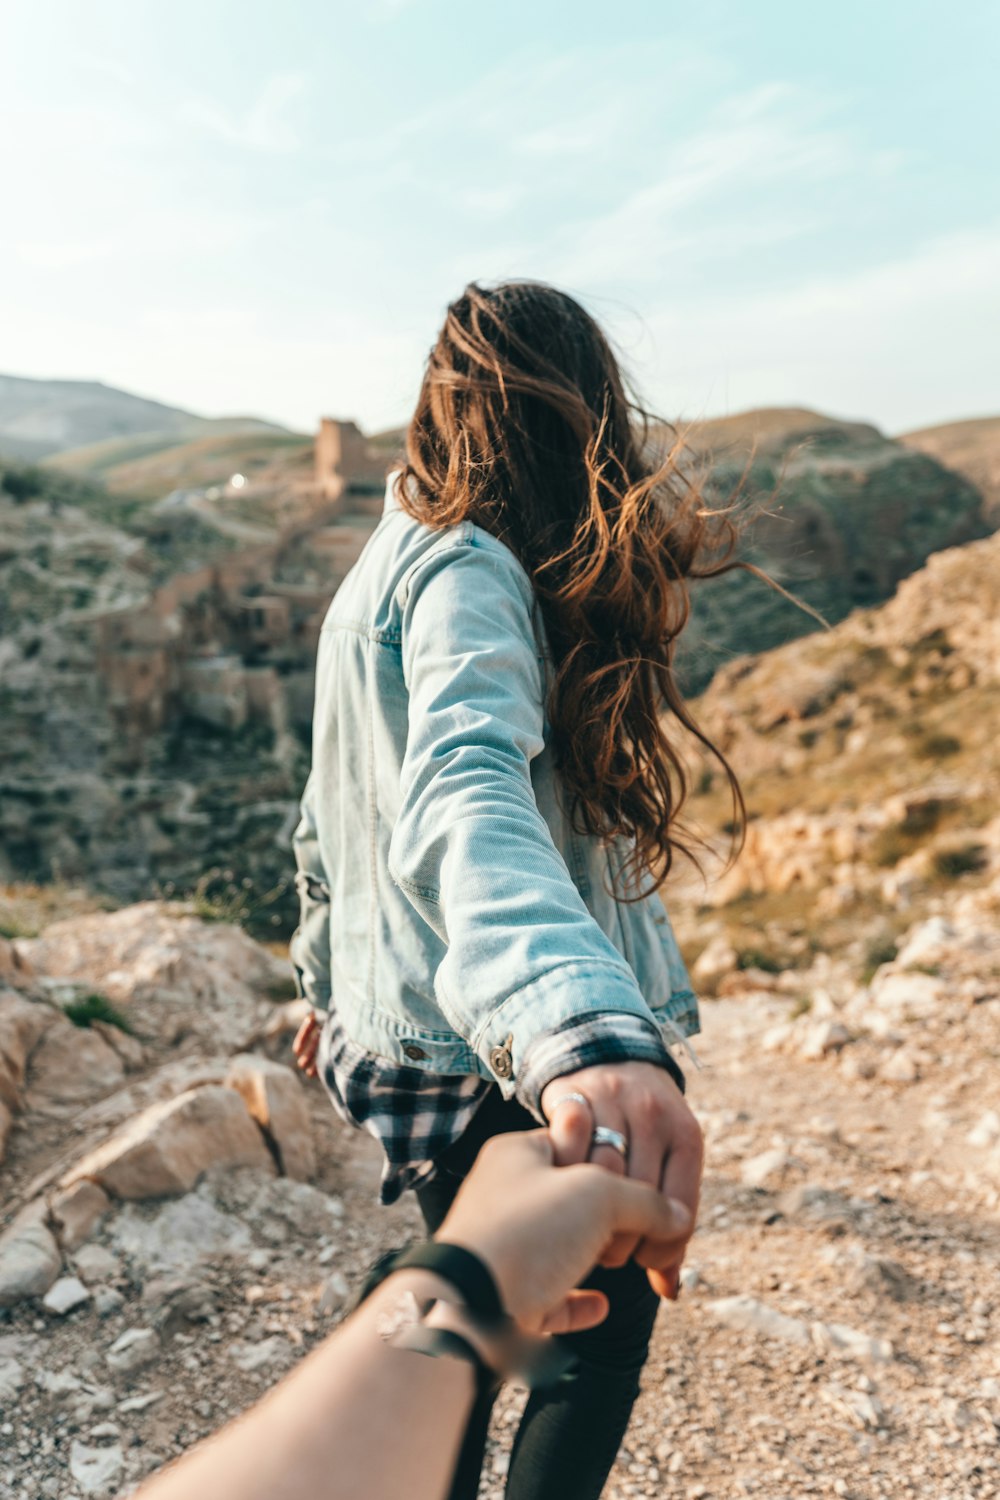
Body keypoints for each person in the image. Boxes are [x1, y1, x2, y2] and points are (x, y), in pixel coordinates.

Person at [290, 280, 742, 1499]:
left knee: (478, 1321)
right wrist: (575, 1026)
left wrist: (323, 977)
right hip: (491, 1033)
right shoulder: (470, 568)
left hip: (407, 1025)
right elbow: (460, 785)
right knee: (582, 1350)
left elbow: (327, 815)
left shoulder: (377, 566)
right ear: (576, 413)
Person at [135, 1129, 694, 1500]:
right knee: (594, 1346)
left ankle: (433, 1300)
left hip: (427, 1079)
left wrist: (321, 988)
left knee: (466, 1324)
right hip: (552, 1086)